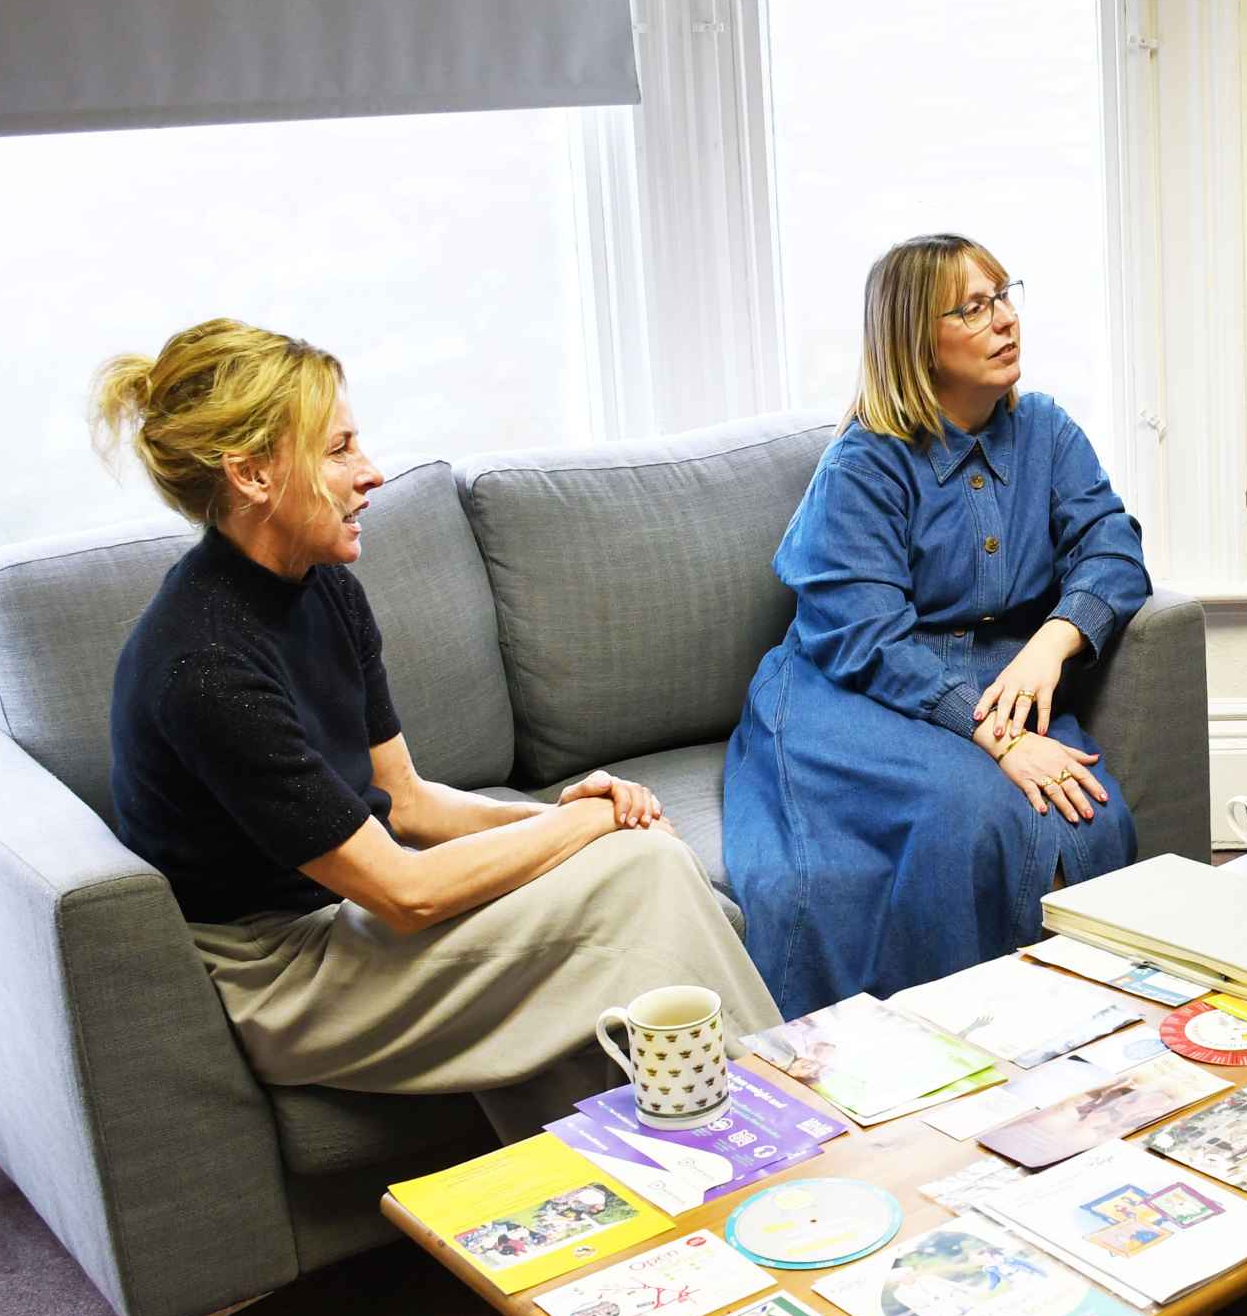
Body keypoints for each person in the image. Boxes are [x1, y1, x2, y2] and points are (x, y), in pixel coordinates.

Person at [94, 320, 780, 1140]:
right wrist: (585, 823)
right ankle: (779, 1136)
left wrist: (588, 818)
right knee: (642, 875)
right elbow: (404, 891)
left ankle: (663, 1178)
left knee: (638, 852)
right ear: (253, 475)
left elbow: (407, 801)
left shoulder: (322, 585)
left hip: (347, 918)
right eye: (339, 449)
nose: (370, 472)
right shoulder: (203, 664)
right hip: (278, 973)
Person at [723, 234, 1150, 1014]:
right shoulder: (864, 464)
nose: (1007, 321)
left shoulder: (1046, 430)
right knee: (976, 812)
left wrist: (1055, 640)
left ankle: (1087, 1030)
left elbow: (1112, 545)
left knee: (1091, 809)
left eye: (1006, 295)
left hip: (991, 673)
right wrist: (1007, 739)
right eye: (975, 308)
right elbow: (866, 639)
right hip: (848, 691)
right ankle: (949, 1048)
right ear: (917, 339)